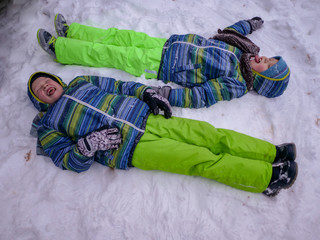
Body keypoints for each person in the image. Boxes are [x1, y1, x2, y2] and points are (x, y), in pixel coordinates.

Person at [27, 71, 297, 197]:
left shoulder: (82, 82)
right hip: (129, 148)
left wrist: (146, 93)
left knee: (210, 135)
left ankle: (271, 152)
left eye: (47, 80)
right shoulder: (48, 127)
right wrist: (86, 146)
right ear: (39, 100)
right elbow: (67, 160)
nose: (46, 86)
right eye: (39, 89)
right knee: (198, 158)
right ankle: (266, 178)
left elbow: (120, 86)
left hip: (146, 116)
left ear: (57, 80)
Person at [36, 14, 290, 109]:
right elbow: (231, 32)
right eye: (270, 58)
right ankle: (74, 32)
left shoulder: (236, 82)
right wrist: (248, 24)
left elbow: (201, 97)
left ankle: (62, 49)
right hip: (167, 44)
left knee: (111, 53)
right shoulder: (244, 50)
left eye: (267, 65)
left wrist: (166, 94)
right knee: (120, 36)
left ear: (260, 78)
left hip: (161, 65)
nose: (265, 58)